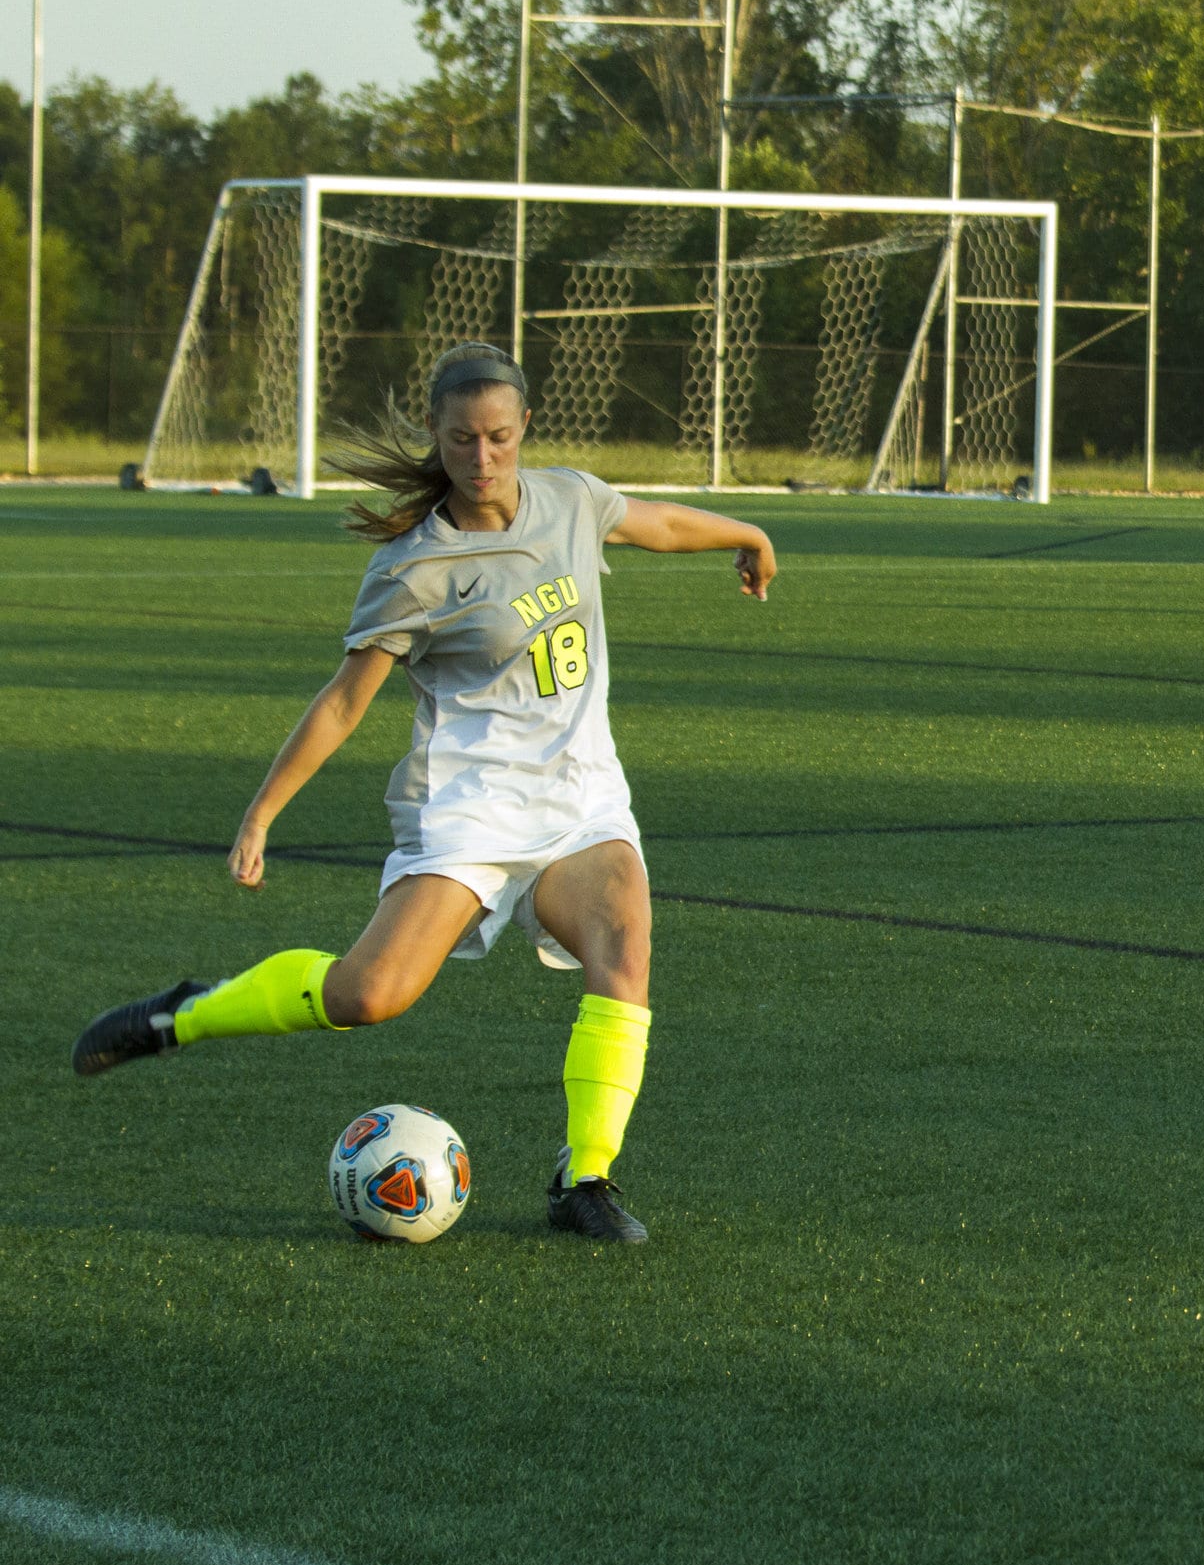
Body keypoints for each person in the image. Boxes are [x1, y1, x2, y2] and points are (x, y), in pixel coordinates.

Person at [68, 341, 777, 1243]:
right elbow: (343, 702)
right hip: (470, 811)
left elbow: (660, 524)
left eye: (499, 438)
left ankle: (584, 1178)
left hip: (582, 798)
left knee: (626, 944)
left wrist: (750, 535)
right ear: (436, 439)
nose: (482, 460)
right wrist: (262, 812)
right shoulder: (417, 566)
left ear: (524, 430)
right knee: (370, 996)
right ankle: (185, 1013)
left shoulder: (569, 499)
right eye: (461, 441)